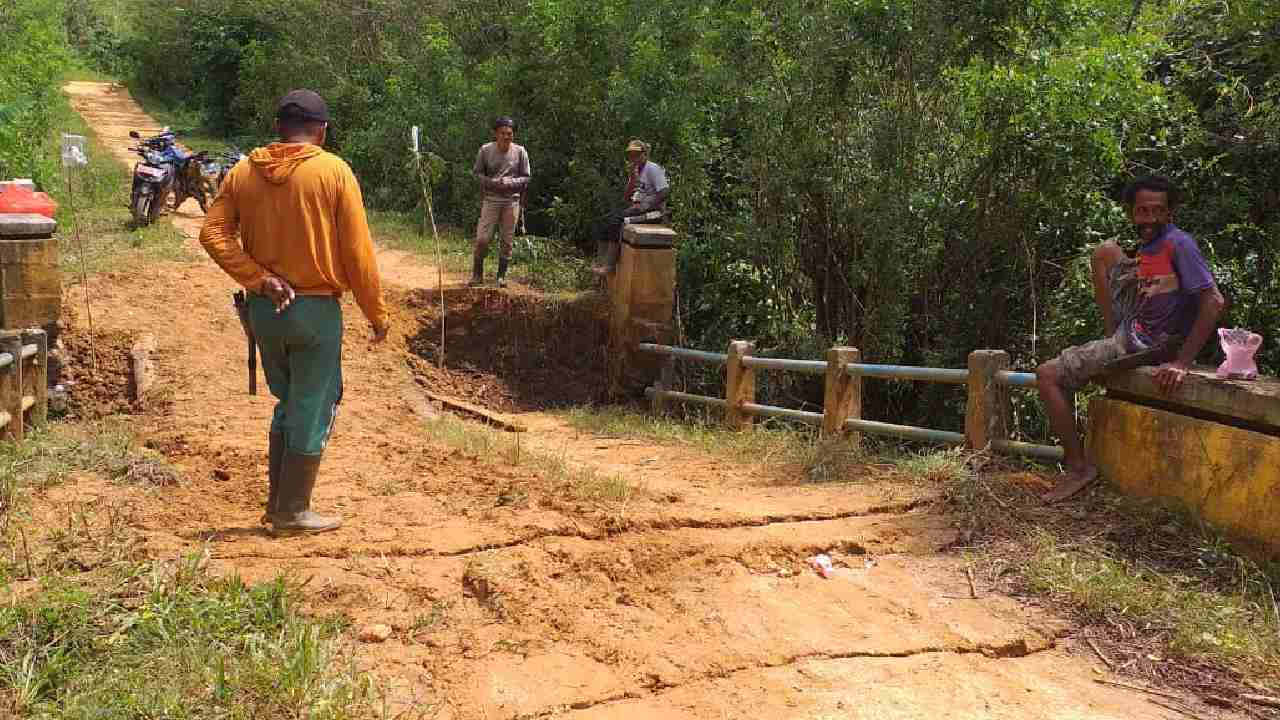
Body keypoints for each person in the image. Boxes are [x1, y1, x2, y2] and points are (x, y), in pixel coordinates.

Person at [200, 89, 389, 535]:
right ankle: (292, 511)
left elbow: (213, 233)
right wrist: (376, 313)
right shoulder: (333, 171)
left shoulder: (245, 171)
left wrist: (257, 278)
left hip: (265, 311)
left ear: (279, 129)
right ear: (321, 130)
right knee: (312, 405)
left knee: (288, 401)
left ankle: (278, 503)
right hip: (315, 311)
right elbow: (357, 253)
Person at [1036, 176, 1224, 502]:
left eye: (1157, 211)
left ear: (1170, 213)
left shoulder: (1178, 243)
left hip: (1149, 341)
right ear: (1130, 212)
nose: (1149, 219)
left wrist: (1181, 362)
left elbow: (1214, 302)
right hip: (1135, 322)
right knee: (1105, 252)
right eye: (1142, 211)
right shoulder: (1150, 246)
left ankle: (1079, 467)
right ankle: (1112, 337)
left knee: (1047, 375)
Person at [471, 116, 531, 288]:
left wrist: (511, 183)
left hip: (512, 200)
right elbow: (477, 174)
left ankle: (501, 277)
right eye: (503, 133)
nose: (507, 136)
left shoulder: (520, 151)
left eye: (510, 133)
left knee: (507, 240)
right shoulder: (485, 150)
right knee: (483, 238)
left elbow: (526, 177)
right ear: (495, 133)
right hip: (491, 198)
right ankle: (477, 274)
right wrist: (491, 182)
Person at [593, 139, 669, 275]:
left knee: (616, 221)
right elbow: (627, 198)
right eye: (631, 154)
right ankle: (601, 264)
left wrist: (646, 207)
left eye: (637, 154)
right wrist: (632, 180)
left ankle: (609, 266)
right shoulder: (635, 170)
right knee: (604, 221)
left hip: (653, 213)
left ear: (644, 154)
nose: (634, 157)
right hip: (636, 209)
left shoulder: (653, 168)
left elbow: (664, 192)